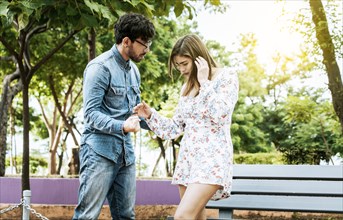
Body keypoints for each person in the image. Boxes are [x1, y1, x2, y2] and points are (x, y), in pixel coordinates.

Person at [134, 34, 239, 220]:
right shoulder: (186, 88)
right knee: (196, 218)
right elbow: (174, 128)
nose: (181, 70)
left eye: (184, 64)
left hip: (211, 160)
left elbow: (221, 114)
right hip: (188, 161)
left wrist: (205, 83)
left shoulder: (226, 77)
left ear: (199, 58)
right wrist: (150, 115)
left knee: (182, 217)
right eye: (178, 65)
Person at [73, 13, 155, 220]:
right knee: (87, 216)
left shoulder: (134, 71)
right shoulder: (99, 68)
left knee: (126, 215)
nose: (147, 49)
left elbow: (134, 115)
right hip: (99, 152)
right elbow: (90, 115)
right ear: (126, 41)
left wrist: (157, 123)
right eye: (143, 43)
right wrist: (122, 126)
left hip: (125, 154)